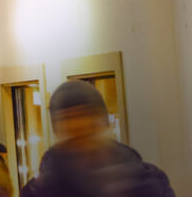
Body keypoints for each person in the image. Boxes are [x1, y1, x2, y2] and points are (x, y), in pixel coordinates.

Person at [20, 81, 173, 197]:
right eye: (68, 121)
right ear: (58, 132)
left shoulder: (147, 183)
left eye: (86, 117)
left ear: (102, 122)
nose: (79, 127)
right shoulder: (41, 191)